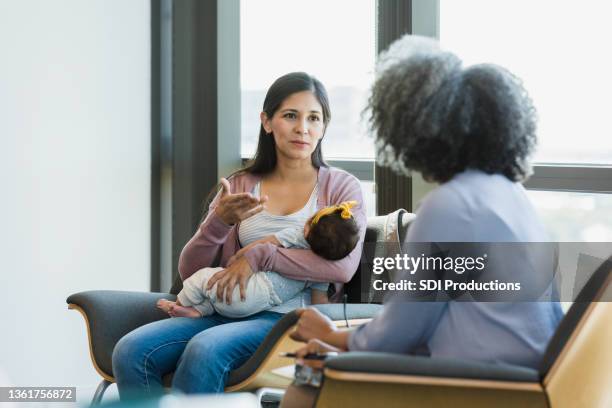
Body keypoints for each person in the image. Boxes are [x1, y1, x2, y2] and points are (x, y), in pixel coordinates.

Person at [282, 35, 563, 406]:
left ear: (419, 133)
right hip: (526, 379)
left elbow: (400, 330)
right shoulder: (511, 195)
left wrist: (331, 335)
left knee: (305, 384)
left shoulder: (450, 205)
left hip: (483, 384)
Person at [111, 72, 367, 397]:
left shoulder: (341, 188)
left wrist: (262, 255)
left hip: (285, 320)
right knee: (131, 351)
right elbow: (190, 271)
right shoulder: (242, 185)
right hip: (223, 309)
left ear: (324, 127)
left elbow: (341, 268)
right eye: (290, 115)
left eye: (314, 118)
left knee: (206, 350)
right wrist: (218, 221)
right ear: (267, 121)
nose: (303, 128)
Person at [156, 201, 360, 318]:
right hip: (261, 304)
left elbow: (265, 243)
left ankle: (179, 303)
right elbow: (319, 302)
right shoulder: (321, 272)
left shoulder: (297, 235)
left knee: (204, 278)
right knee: (215, 297)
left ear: (307, 226)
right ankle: (197, 312)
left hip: (252, 288)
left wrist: (240, 257)